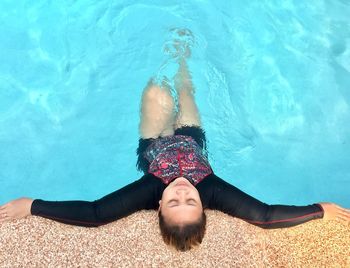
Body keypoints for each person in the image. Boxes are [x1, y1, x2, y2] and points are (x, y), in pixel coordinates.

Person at [1, 29, 350, 252]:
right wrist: (320, 211)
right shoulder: (212, 188)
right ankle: (181, 56)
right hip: (192, 138)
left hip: (153, 143)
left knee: (155, 91)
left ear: (158, 206)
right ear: (205, 206)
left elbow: (94, 214)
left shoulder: (149, 189)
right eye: (191, 202)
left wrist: (33, 205)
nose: (182, 193)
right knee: (184, 89)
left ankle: (159, 59)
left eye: (173, 203)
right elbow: (264, 215)